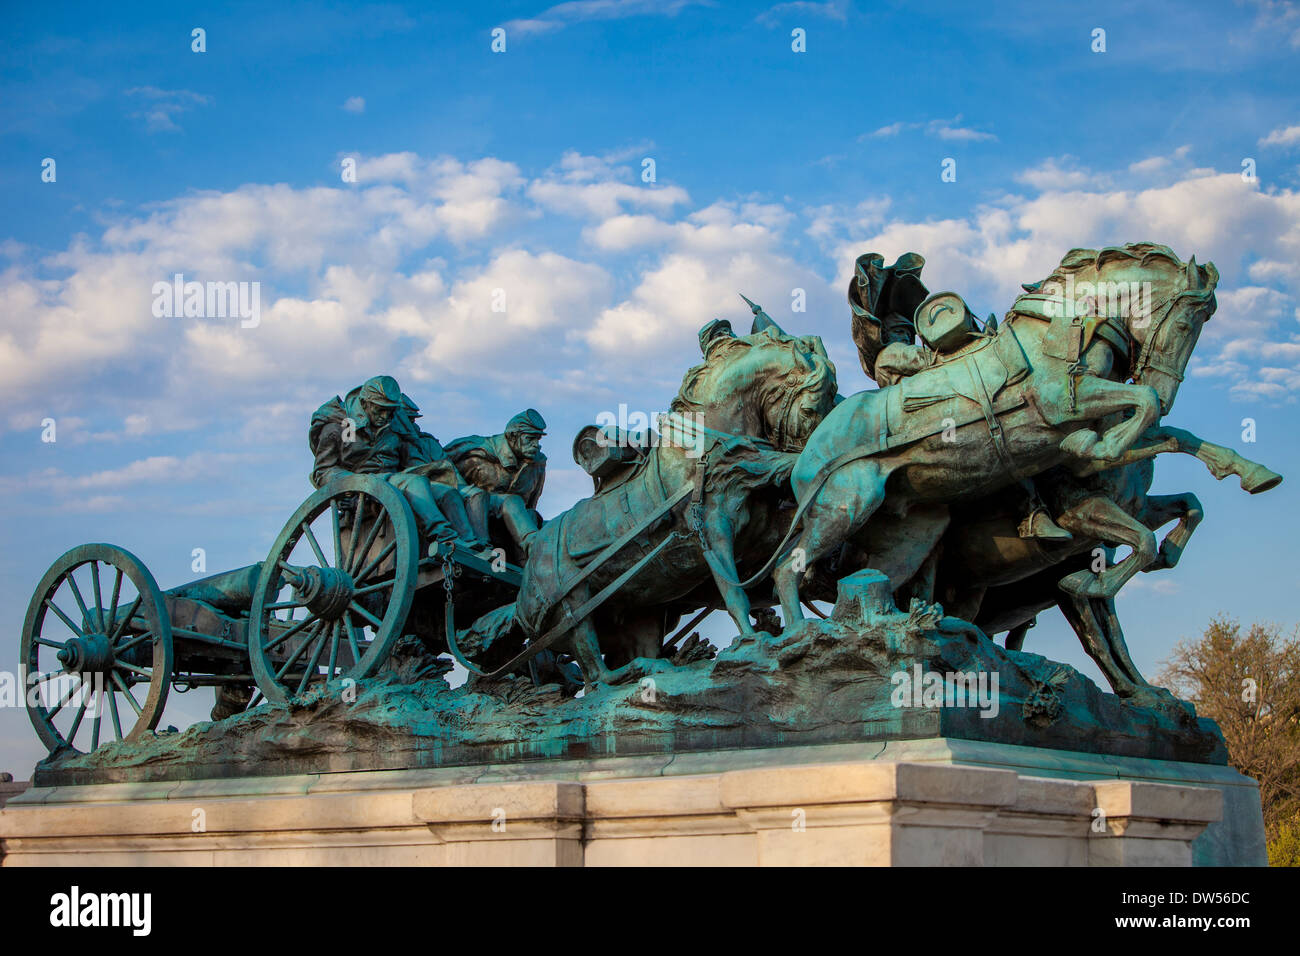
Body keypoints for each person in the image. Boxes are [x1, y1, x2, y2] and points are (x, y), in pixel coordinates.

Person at [309, 375, 492, 553]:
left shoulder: (394, 426)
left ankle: (470, 545)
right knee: (414, 483)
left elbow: (413, 461)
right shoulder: (337, 426)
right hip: (365, 489)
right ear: (365, 404)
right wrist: (354, 482)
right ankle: (445, 536)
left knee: (447, 492)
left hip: (393, 483)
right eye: (379, 410)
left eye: (389, 411)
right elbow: (323, 471)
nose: (384, 416)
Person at [444, 410, 547, 556]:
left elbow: (531, 503)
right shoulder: (474, 450)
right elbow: (441, 469)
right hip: (470, 513)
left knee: (531, 514)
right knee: (511, 501)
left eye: (538, 439)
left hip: (507, 529)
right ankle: (536, 548)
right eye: (530, 438)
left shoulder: (537, 465)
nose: (536, 445)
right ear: (512, 436)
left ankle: (531, 566)